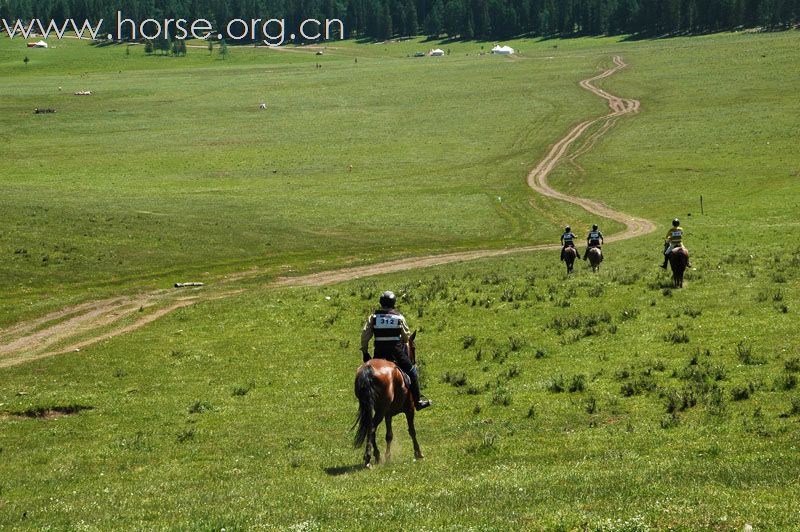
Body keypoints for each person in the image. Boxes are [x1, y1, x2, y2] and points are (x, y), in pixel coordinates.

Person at [361, 291, 431, 410]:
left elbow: (365, 335)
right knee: (413, 372)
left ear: (381, 303)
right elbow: (406, 337)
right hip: (396, 352)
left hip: (379, 354)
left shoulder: (373, 317)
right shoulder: (398, 317)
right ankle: (418, 402)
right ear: (393, 303)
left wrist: (365, 351)